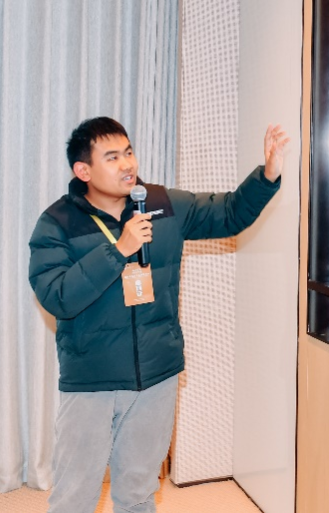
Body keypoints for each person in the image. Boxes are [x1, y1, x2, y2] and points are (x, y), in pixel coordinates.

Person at [28, 116, 288, 513]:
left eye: (128, 152)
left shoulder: (163, 205)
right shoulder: (57, 223)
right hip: (92, 379)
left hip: (157, 376)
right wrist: (119, 249)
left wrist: (267, 175)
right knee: (74, 496)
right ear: (83, 171)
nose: (127, 164)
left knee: (138, 492)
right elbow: (57, 296)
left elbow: (230, 214)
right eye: (112, 157)